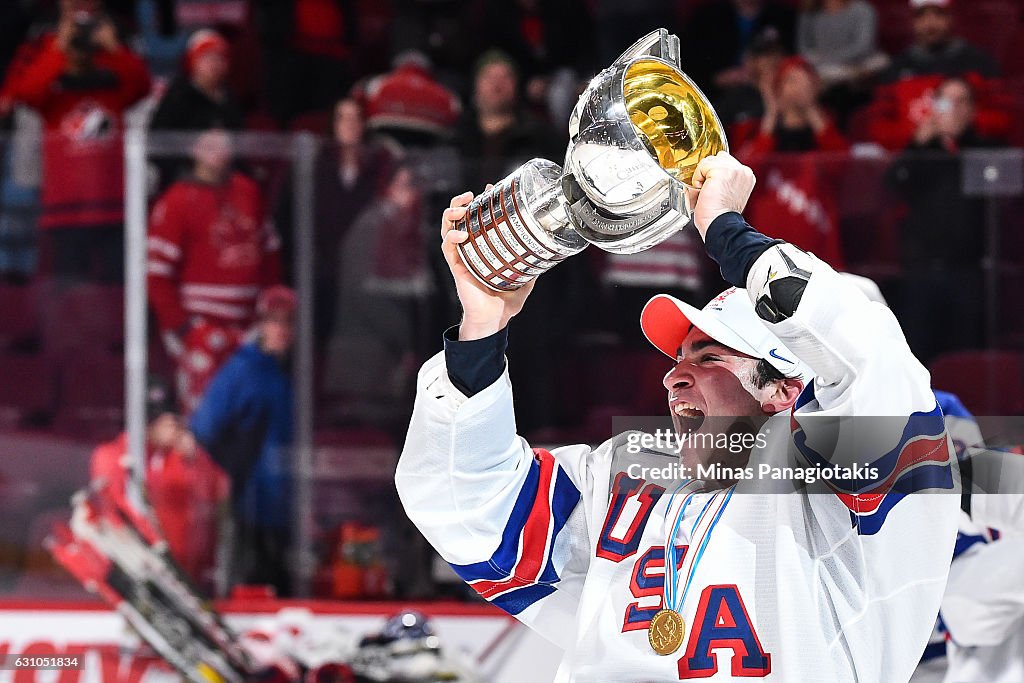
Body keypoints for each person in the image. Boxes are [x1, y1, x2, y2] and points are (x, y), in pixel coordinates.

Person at [396, 151, 959, 680]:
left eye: (711, 356)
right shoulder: (627, 477)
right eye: (682, 356)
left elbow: (866, 359)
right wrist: (481, 329)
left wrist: (726, 230)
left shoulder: (849, 495)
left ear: (785, 387)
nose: (674, 376)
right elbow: (467, 506)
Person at [0, 0, 150, 283]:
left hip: (112, 205)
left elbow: (142, 87)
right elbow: (27, 93)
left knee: (117, 289)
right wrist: (59, 47)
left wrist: (113, 48)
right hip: (65, 208)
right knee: (70, 295)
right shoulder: (52, 92)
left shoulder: (113, 83)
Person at [147, 129, 281, 412]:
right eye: (210, 144)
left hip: (248, 328)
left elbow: (270, 254)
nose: (219, 151)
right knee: (203, 415)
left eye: (225, 144)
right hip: (200, 329)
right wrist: (183, 327)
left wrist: (269, 314)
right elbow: (157, 274)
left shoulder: (248, 191)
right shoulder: (177, 200)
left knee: (249, 410)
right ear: (194, 149)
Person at [189, 286, 296, 597]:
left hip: (284, 506)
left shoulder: (292, 371)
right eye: (273, 320)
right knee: (248, 585)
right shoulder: (242, 370)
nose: (281, 329)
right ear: (260, 324)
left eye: (288, 321)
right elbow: (204, 429)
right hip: (248, 503)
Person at [884, 77, 997, 364]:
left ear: (972, 110)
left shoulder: (986, 151)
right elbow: (893, 184)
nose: (955, 110)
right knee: (918, 351)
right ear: (934, 107)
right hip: (922, 271)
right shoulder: (921, 152)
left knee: (966, 354)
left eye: (962, 102)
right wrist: (918, 144)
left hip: (970, 272)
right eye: (947, 102)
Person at [90, 375, 229, 593]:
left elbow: (219, 492)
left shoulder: (182, 456)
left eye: (169, 417)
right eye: (156, 419)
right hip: (137, 574)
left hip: (187, 575)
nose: (167, 425)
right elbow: (117, 509)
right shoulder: (113, 455)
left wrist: (194, 459)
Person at [276, 97, 395, 348]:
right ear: (333, 123)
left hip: (361, 276)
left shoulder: (377, 168)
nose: (350, 125)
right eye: (343, 117)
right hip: (317, 272)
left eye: (356, 118)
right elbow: (284, 214)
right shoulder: (312, 165)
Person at [733, 57, 848, 269]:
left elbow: (841, 166)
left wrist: (812, 109)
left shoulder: (827, 131)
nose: (798, 89)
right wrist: (771, 114)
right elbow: (745, 171)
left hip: (817, 245)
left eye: (806, 82)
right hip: (768, 247)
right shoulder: (757, 132)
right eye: (791, 81)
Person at [868, 0, 1008, 150]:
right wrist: (913, 136)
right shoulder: (894, 69)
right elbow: (879, 127)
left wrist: (966, 125)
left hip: (971, 154)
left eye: (938, 15)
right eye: (921, 16)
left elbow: (1003, 117)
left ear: (951, 18)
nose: (930, 24)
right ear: (912, 21)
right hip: (913, 160)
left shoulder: (979, 64)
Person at [796, 0, 888, 125]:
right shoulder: (809, 13)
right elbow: (804, 50)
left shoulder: (863, 10)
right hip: (822, 72)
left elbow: (864, 47)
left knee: (878, 65)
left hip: (858, 68)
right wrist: (826, 64)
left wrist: (831, 60)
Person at [680, 0, 796, 95]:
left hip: (772, 95)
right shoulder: (706, 17)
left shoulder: (785, 17)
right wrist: (717, 79)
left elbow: (795, 63)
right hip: (714, 97)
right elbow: (687, 67)